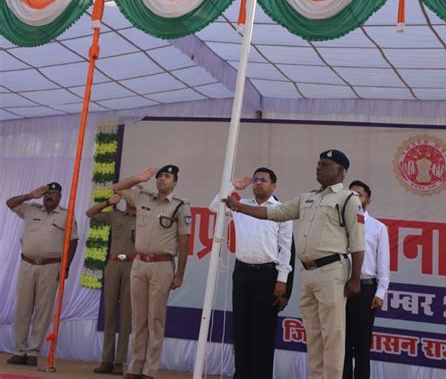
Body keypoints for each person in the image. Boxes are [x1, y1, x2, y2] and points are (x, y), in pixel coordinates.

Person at [225, 149, 365, 379]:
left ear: (340, 171)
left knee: (333, 334)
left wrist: (355, 278)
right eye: (318, 163)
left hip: (333, 271)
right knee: (314, 334)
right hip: (308, 272)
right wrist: (238, 206)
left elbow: (358, 243)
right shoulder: (307, 197)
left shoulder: (348, 198)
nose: (318, 168)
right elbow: (274, 212)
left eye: (325, 164)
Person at [211, 167, 293, 379]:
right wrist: (231, 187)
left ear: (273, 185)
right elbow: (214, 208)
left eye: (263, 180)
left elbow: (286, 250)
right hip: (242, 273)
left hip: (267, 276)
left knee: (263, 333)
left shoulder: (282, 210)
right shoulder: (241, 205)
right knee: (241, 329)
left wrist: (282, 281)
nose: (258, 183)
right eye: (255, 179)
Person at [113, 165, 191, 379]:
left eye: (168, 177)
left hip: (162, 266)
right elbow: (117, 188)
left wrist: (180, 274)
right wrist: (138, 177)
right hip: (139, 264)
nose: (162, 179)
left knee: (155, 319)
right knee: (138, 318)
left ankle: (150, 369)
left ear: (175, 183)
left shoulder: (180, 206)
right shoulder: (142, 198)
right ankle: (135, 366)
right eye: (160, 176)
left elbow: (184, 242)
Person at [5, 182, 78, 367]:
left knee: (43, 310)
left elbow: (73, 242)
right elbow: (10, 203)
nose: (49, 196)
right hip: (27, 264)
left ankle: (33, 352)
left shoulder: (66, 215)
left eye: (54, 193)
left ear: (60, 197)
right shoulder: (30, 209)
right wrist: (31, 194)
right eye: (47, 193)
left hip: (51, 266)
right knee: (22, 309)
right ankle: (19, 350)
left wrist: (66, 267)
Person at [86, 193, 136, 375]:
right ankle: (106, 359)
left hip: (132, 265)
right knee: (109, 314)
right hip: (114, 264)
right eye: (129, 194)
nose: (131, 198)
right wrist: (107, 203)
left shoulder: (144, 220)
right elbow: (89, 213)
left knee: (126, 316)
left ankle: (119, 362)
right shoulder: (115, 215)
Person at [343, 180, 390, 379]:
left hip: (365, 290)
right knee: (341, 344)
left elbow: (383, 264)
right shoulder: (338, 224)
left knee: (362, 345)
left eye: (359, 194)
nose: (355, 198)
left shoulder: (378, 227)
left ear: (368, 199)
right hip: (340, 288)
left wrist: (380, 293)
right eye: (351, 194)